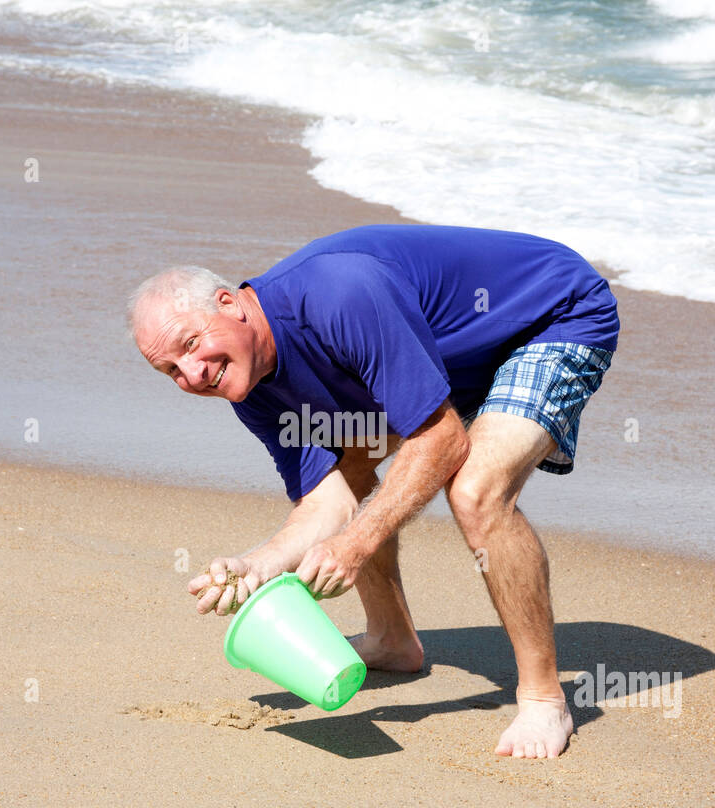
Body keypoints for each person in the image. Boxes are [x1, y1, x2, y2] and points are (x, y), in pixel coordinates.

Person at [128, 225, 618, 757]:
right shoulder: (248, 386)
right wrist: (260, 564)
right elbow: (329, 495)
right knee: (353, 463)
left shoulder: (338, 293)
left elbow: (441, 440)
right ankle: (391, 639)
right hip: (453, 357)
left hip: (549, 317)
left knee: (475, 489)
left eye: (191, 345)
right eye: (170, 370)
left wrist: (358, 542)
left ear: (229, 304)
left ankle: (545, 700)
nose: (193, 374)